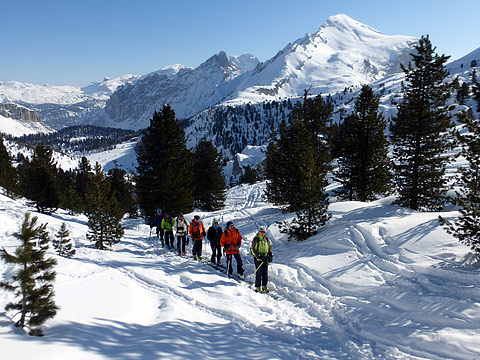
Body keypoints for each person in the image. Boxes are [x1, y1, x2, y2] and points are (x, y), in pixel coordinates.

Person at [251, 226, 273, 293]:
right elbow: (253, 250)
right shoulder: (256, 239)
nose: (262, 233)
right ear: (259, 232)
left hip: (265, 257)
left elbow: (269, 247)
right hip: (259, 259)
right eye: (261, 232)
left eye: (264, 232)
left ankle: (264, 285)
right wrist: (258, 256)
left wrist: (270, 255)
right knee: (259, 272)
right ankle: (258, 286)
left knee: (265, 273)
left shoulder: (266, 239)